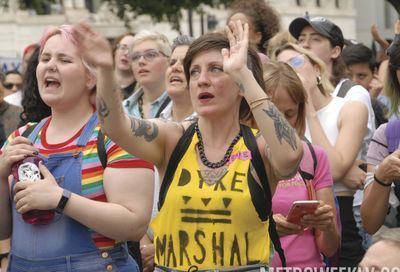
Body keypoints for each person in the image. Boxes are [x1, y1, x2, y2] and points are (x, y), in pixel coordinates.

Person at [73, 20, 304, 270]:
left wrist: (244, 75)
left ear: (240, 85)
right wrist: (106, 71)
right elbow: (115, 127)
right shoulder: (172, 139)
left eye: (216, 69)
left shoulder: (259, 147)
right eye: (194, 72)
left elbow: (291, 156)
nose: (202, 80)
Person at [0, 25, 154, 272]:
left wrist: (60, 199)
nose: (50, 65)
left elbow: (134, 224)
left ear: (90, 77)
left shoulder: (117, 136)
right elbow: (3, 232)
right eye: (45, 58)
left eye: (64, 59)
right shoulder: (20, 137)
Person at [274, 43, 369, 267]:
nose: (290, 71)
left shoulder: (347, 106)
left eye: (296, 62)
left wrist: (307, 106)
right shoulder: (278, 123)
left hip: (342, 219)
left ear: (317, 69)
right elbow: (336, 169)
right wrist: (346, 170)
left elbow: (332, 167)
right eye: (281, 66)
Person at [263, 61, 340, 268]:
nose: (281, 125)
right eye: (272, 115)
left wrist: (328, 225)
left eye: (289, 114)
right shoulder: (238, 156)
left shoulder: (314, 157)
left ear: (300, 112)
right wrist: (265, 229)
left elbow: (330, 248)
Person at [123, 30, 171, 119]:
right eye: (135, 57)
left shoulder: (181, 103)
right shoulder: (124, 109)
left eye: (150, 55)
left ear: (169, 61)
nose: (141, 61)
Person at [159, 34, 196, 122]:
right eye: (172, 63)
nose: (175, 68)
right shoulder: (156, 119)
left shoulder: (210, 121)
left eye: (185, 63)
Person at [113, 32, 137, 100]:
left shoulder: (141, 91)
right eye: (123, 47)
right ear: (115, 51)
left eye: (132, 50)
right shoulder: (100, 83)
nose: (126, 53)